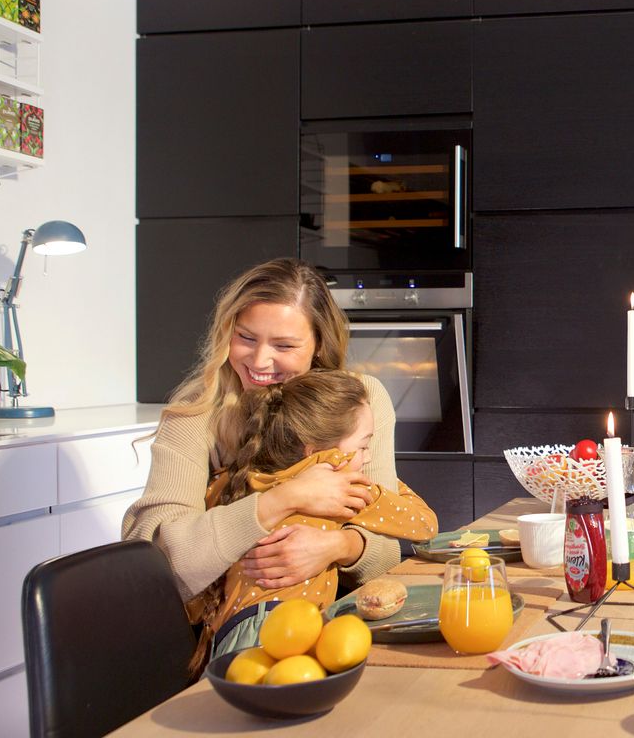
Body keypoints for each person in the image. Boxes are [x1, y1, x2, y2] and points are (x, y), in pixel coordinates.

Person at [123, 258, 425, 603]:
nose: (260, 360)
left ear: (318, 347)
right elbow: (156, 566)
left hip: (336, 616)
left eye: (284, 346)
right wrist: (284, 498)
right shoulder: (195, 412)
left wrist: (338, 546)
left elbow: (386, 552)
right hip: (224, 627)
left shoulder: (361, 400)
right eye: (246, 338)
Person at [188, 369, 438, 667]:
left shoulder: (237, 479)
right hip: (289, 630)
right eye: (363, 446)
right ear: (319, 453)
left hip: (230, 633)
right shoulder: (341, 485)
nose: (368, 458)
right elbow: (425, 524)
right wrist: (386, 485)